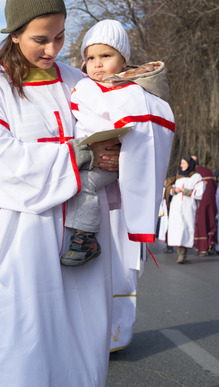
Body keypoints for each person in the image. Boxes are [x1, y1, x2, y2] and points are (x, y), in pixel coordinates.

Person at [0, 0, 120, 387]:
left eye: (61, 36)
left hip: (78, 233)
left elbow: (106, 129)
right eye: (40, 40)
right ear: (14, 34)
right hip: (21, 234)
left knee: (83, 334)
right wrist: (80, 156)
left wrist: (117, 146)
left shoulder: (73, 79)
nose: (52, 50)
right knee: (26, 337)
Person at [61, 19, 175, 266]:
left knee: (82, 184)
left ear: (123, 60)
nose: (97, 63)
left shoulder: (132, 92)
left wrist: (127, 151)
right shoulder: (85, 87)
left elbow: (147, 127)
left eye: (105, 55)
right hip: (83, 153)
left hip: (106, 162)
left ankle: (85, 237)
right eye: (90, 58)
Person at [167, 156, 205, 263]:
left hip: (188, 207)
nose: (181, 165)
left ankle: (182, 254)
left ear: (189, 164)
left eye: (183, 163)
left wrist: (186, 191)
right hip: (176, 206)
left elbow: (200, 191)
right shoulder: (177, 175)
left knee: (185, 228)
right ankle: (181, 254)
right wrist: (175, 190)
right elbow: (168, 188)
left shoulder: (196, 177)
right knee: (178, 229)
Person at [192, 161, 217, 256]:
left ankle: (202, 248)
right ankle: (211, 245)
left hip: (200, 201)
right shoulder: (208, 171)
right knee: (210, 222)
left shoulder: (193, 173)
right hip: (211, 202)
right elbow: (215, 187)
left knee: (201, 224)